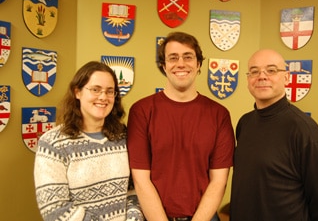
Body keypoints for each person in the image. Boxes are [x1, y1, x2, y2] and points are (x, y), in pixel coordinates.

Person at [127, 32, 235, 221]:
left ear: (198, 64)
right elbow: (141, 180)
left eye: (188, 57)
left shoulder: (219, 114)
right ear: (164, 65)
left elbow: (219, 181)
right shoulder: (141, 111)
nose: (181, 64)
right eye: (173, 58)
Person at [230, 49, 318, 221]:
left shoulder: (304, 130)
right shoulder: (245, 123)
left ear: (286, 77)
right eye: (254, 71)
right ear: (248, 79)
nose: (262, 76)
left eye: (271, 70)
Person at [34, 61, 144, 221]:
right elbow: (54, 209)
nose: (103, 97)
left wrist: (133, 218)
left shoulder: (123, 136)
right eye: (95, 90)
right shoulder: (52, 143)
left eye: (109, 91)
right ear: (77, 92)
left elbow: (135, 189)